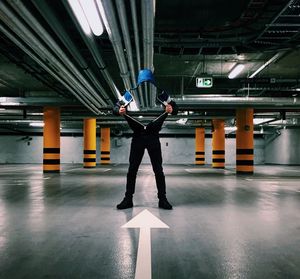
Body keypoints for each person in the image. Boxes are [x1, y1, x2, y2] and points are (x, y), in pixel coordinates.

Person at [113, 70, 178, 210]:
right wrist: (119, 111)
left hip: (153, 136)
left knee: (158, 170)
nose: (145, 85)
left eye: (148, 82)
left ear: (153, 82)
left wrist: (171, 109)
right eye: (142, 83)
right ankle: (128, 199)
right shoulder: (129, 95)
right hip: (138, 136)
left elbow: (176, 108)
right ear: (138, 83)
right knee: (132, 170)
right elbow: (115, 107)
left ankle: (163, 199)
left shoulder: (162, 95)